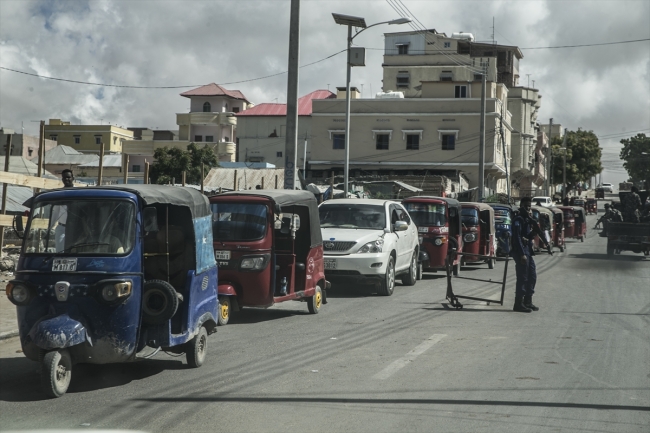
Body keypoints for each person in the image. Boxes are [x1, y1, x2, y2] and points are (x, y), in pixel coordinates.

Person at [511, 197, 549, 313]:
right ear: (521, 206)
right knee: (523, 277)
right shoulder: (518, 219)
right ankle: (518, 303)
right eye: (525, 206)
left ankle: (528, 301)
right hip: (520, 251)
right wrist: (522, 254)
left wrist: (546, 243)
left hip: (528, 250)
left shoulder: (528, 219)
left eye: (529, 206)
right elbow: (516, 237)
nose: (528, 208)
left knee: (532, 276)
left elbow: (532, 233)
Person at [53, 170, 75, 251]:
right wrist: (49, 228)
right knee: (60, 252)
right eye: (64, 178)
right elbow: (56, 212)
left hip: (75, 228)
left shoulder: (79, 192)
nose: (66, 179)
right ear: (62, 180)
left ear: (73, 178)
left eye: (68, 177)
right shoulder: (60, 193)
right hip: (62, 228)